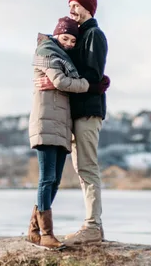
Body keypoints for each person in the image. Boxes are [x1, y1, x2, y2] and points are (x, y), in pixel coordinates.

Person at [27, 16, 110, 250]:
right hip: (46, 124)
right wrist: (92, 86)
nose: (70, 44)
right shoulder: (47, 51)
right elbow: (61, 81)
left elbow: (65, 81)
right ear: (56, 35)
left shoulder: (64, 54)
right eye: (66, 38)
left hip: (60, 125)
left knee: (54, 180)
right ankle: (45, 233)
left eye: (74, 40)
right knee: (47, 178)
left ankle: (34, 229)